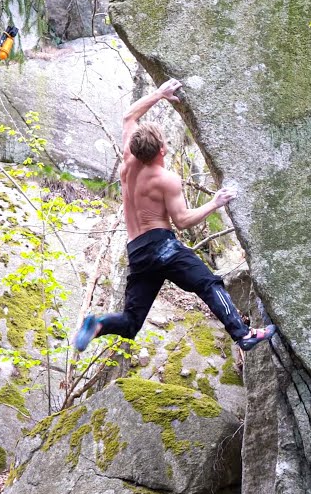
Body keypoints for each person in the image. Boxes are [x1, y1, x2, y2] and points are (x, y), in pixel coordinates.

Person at [74, 78, 275, 353]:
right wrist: (215, 203)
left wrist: (158, 94)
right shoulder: (166, 179)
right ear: (162, 150)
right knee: (208, 283)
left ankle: (98, 325)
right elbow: (182, 221)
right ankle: (244, 334)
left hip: (137, 251)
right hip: (162, 246)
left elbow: (128, 115)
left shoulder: (127, 163)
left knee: (131, 322)